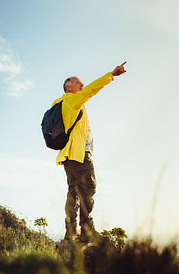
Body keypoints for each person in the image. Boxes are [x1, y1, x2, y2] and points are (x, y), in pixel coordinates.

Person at [52, 62, 127, 242]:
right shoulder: (71, 100)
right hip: (79, 154)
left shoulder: (63, 103)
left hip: (69, 155)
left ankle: (71, 230)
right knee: (89, 188)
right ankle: (87, 229)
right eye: (78, 83)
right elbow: (90, 91)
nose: (82, 85)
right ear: (69, 87)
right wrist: (111, 75)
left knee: (74, 191)